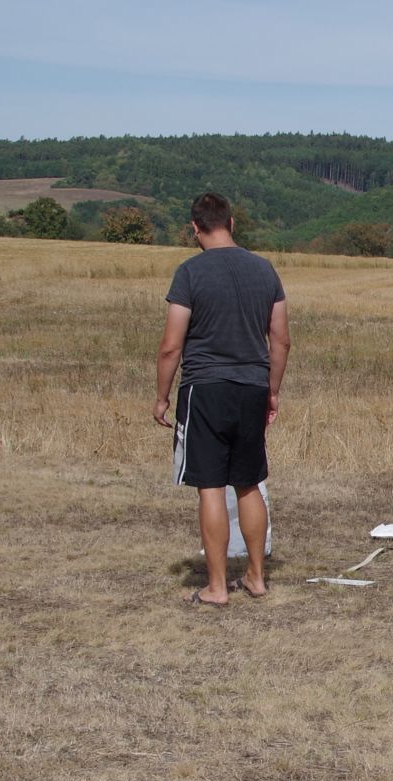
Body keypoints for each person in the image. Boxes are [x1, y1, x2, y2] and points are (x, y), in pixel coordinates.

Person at [154, 191, 291, 606]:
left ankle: (216, 587)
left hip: (205, 389)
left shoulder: (189, 273)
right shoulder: (264, 270)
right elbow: (281, 340)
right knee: (249, 483)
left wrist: (161, 397)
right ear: (232, 223)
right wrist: (272, 391)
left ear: (195, 228)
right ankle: (256, 577)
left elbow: (171, 346)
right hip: (252, 387)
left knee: (211, 486)